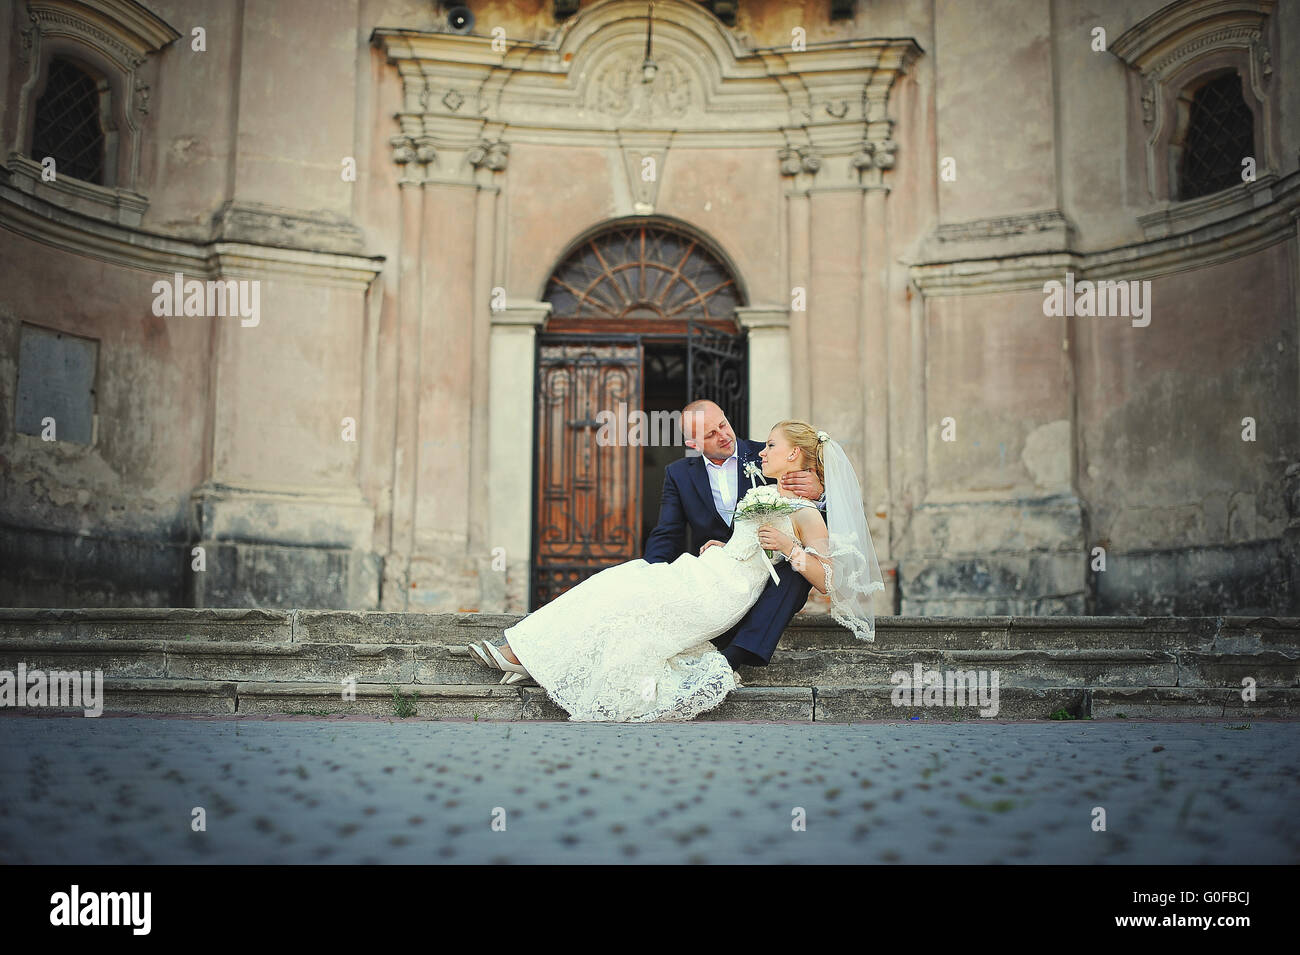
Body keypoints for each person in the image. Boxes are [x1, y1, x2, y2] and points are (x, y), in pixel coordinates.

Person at [466, 419, 885, 722]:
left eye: (770, 446)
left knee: (626, 592)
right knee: (618, 580)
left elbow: (831, 580)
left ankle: (524, 655)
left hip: (722, 594)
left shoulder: (806, 508)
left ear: (793, 453)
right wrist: (730, 543)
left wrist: (792, 548)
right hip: (707, 569)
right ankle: (525, 651)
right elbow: (746, 540)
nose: (758, 451)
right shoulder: (764, 490)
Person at [644, 399, 823, 669]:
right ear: (693, 444)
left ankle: (735, 656)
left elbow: (815, 518)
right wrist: (654, 576)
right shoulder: (678, 474)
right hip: (723, 568)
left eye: (723, 424)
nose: (724, 435)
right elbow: (667, 533)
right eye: (710, 435)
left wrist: (821, 494)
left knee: (794, 569)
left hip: (773, 571)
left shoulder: (768, 456)